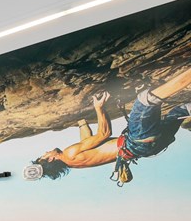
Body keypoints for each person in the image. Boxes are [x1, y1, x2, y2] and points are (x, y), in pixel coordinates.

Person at [29, 67, 191, 183]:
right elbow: (103, 134)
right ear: (50, 159)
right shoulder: (69, 154)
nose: (46, 151)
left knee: (181, 111)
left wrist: (80, 120)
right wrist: (99, 108)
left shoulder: (74, 163)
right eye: (44, 154)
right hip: (136, 140)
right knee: (146, 100)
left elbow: (89, 141)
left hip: (148, 147)